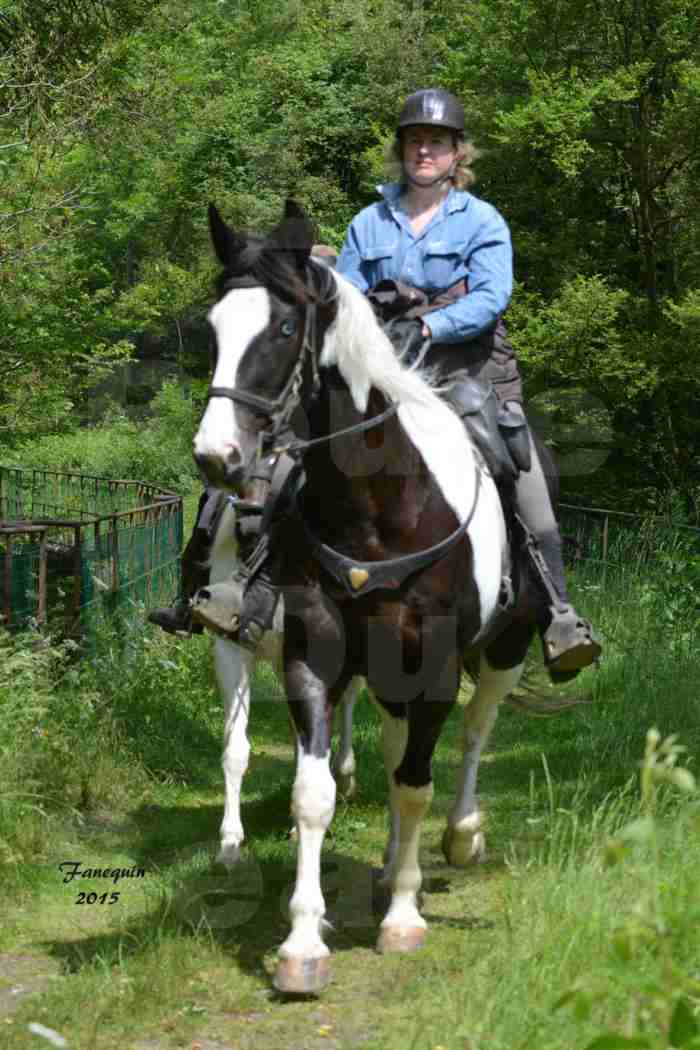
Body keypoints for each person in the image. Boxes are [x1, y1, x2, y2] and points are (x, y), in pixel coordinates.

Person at [150, 87, 601, 678]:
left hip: (464, 368)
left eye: (436, 141)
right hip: (385, 366)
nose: (424, 151)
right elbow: (349, 296)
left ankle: (557, 612)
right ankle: (240, 590)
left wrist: (432, 323)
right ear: (402, 149)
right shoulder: (371, 221)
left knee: (520, 460)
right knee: (289, 452)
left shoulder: (482, 220)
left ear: (456, 152)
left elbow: (492, 295)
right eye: (415, 140)